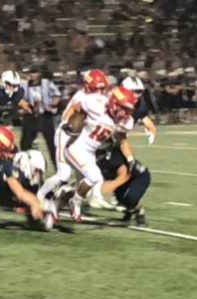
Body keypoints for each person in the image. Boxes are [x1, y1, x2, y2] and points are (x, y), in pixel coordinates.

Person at [37, 70, 109, 208]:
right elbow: (68, 118)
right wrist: (72, 126)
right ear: (88, 86)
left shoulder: (96, 99)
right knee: (63, 174)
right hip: (66, 135)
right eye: (96, 88)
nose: (99, 91)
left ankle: (64, 196)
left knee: (88, 177)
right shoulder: (82, 97)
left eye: (101, 88)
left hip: (79, 139)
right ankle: (39, 196)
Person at [65, 87, 135, 222]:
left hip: (90, 153)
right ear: (114, 103)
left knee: (87, 185)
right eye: (123, 109)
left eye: (128, 110)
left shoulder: (122, 122)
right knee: (94, 177)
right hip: (76, 147)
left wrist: (130, 158)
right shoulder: (95, 104)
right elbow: (75, 108)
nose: (125, 114)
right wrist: (66, 124)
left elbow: (122, 140)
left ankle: (56, 199)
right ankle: (75, 202)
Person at [96, 145, 150, 226]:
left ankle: (140, 212)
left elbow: (123, 176)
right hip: (125, 178)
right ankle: (129, 211)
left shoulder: (114, 157)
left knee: (131, 198)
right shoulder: (98, 160)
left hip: (138, 176)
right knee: (121, 199)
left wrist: (102, 189)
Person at [20, 66, 61, 167]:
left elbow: (57, 95)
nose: (32, 75)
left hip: (45, 117)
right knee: (25, 145)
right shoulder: (25, 86)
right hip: (30, 117)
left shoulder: (46, 84)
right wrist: (24, 108)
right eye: (31, 73)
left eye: (34, 73)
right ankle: (26, 167)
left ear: (39, 74)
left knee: (52, 145)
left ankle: (59, 168)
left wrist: (51, 105)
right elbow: (21, 99)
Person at [121, 76, 157, 145]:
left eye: (138, 92)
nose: (136, 95)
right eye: (132, 92)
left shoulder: (140, 105)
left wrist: (151, 131)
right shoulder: (114, 103)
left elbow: (148, 123)